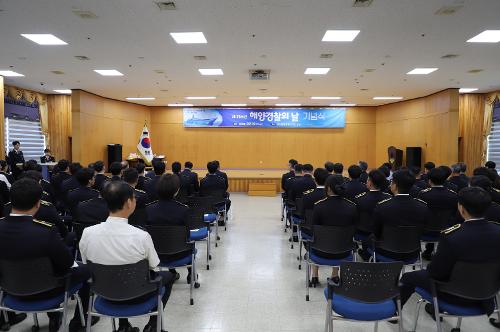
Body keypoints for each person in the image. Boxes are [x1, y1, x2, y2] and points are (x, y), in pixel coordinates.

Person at [0, 178, 94, 332]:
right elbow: (67, 263)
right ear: (38, 203)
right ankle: (78, 320)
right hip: (48, 290)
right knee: (86, 270)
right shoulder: (46, 231)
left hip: (9, 290)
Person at [79, 181, 174, 332]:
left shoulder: (88, 233)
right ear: (129, 202)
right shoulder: (141, 236)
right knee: (168, 276)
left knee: (115, 275)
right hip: (138, 294)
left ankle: (123, 325)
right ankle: (153, 325)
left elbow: (86, 263)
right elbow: (154, 265)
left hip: (103, 291)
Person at [399, 187, 500, 317]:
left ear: (461, 208)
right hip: (487, 294)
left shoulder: (452, 236)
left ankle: (396, 311)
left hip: (453, 294)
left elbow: (436, 273)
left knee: (408, 277)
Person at [146, 174, 199, 286]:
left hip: (156, 254)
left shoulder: (149, 209)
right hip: (181, 254)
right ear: (177, 191)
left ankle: (172, 272)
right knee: (189, 244)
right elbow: (189, 234)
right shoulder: (184, 210)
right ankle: (191, 273)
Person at [369, 169, 430, 261]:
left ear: (395, 186)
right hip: (412, 252)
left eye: (392, 182)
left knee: (369, 239)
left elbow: (377, 232)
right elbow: (423, 230)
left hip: (386, 252)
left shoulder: (383, 206)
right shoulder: (423, 206)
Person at [310, 174, 358, 285]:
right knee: (340, 240)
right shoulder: (352, 207)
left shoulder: (319, 206)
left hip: (320, 252)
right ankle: (335, 275)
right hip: (344, 252)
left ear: (329, 188)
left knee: (314, 241)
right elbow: (354, 230)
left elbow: (314, 231)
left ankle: (315, 276)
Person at [418, 167, 458, 260]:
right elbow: (455, 214)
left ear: (430, 181)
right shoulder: (453, 195)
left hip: (425, 231)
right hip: (447, 230)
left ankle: (428, 251)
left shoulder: (423, 194)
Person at [355, 169, 392, 261]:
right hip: (383, 233)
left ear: (370, 183)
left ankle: (367, 253)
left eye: (367, 180)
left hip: (362, 232)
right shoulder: (389, 198)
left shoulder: (360, 199)